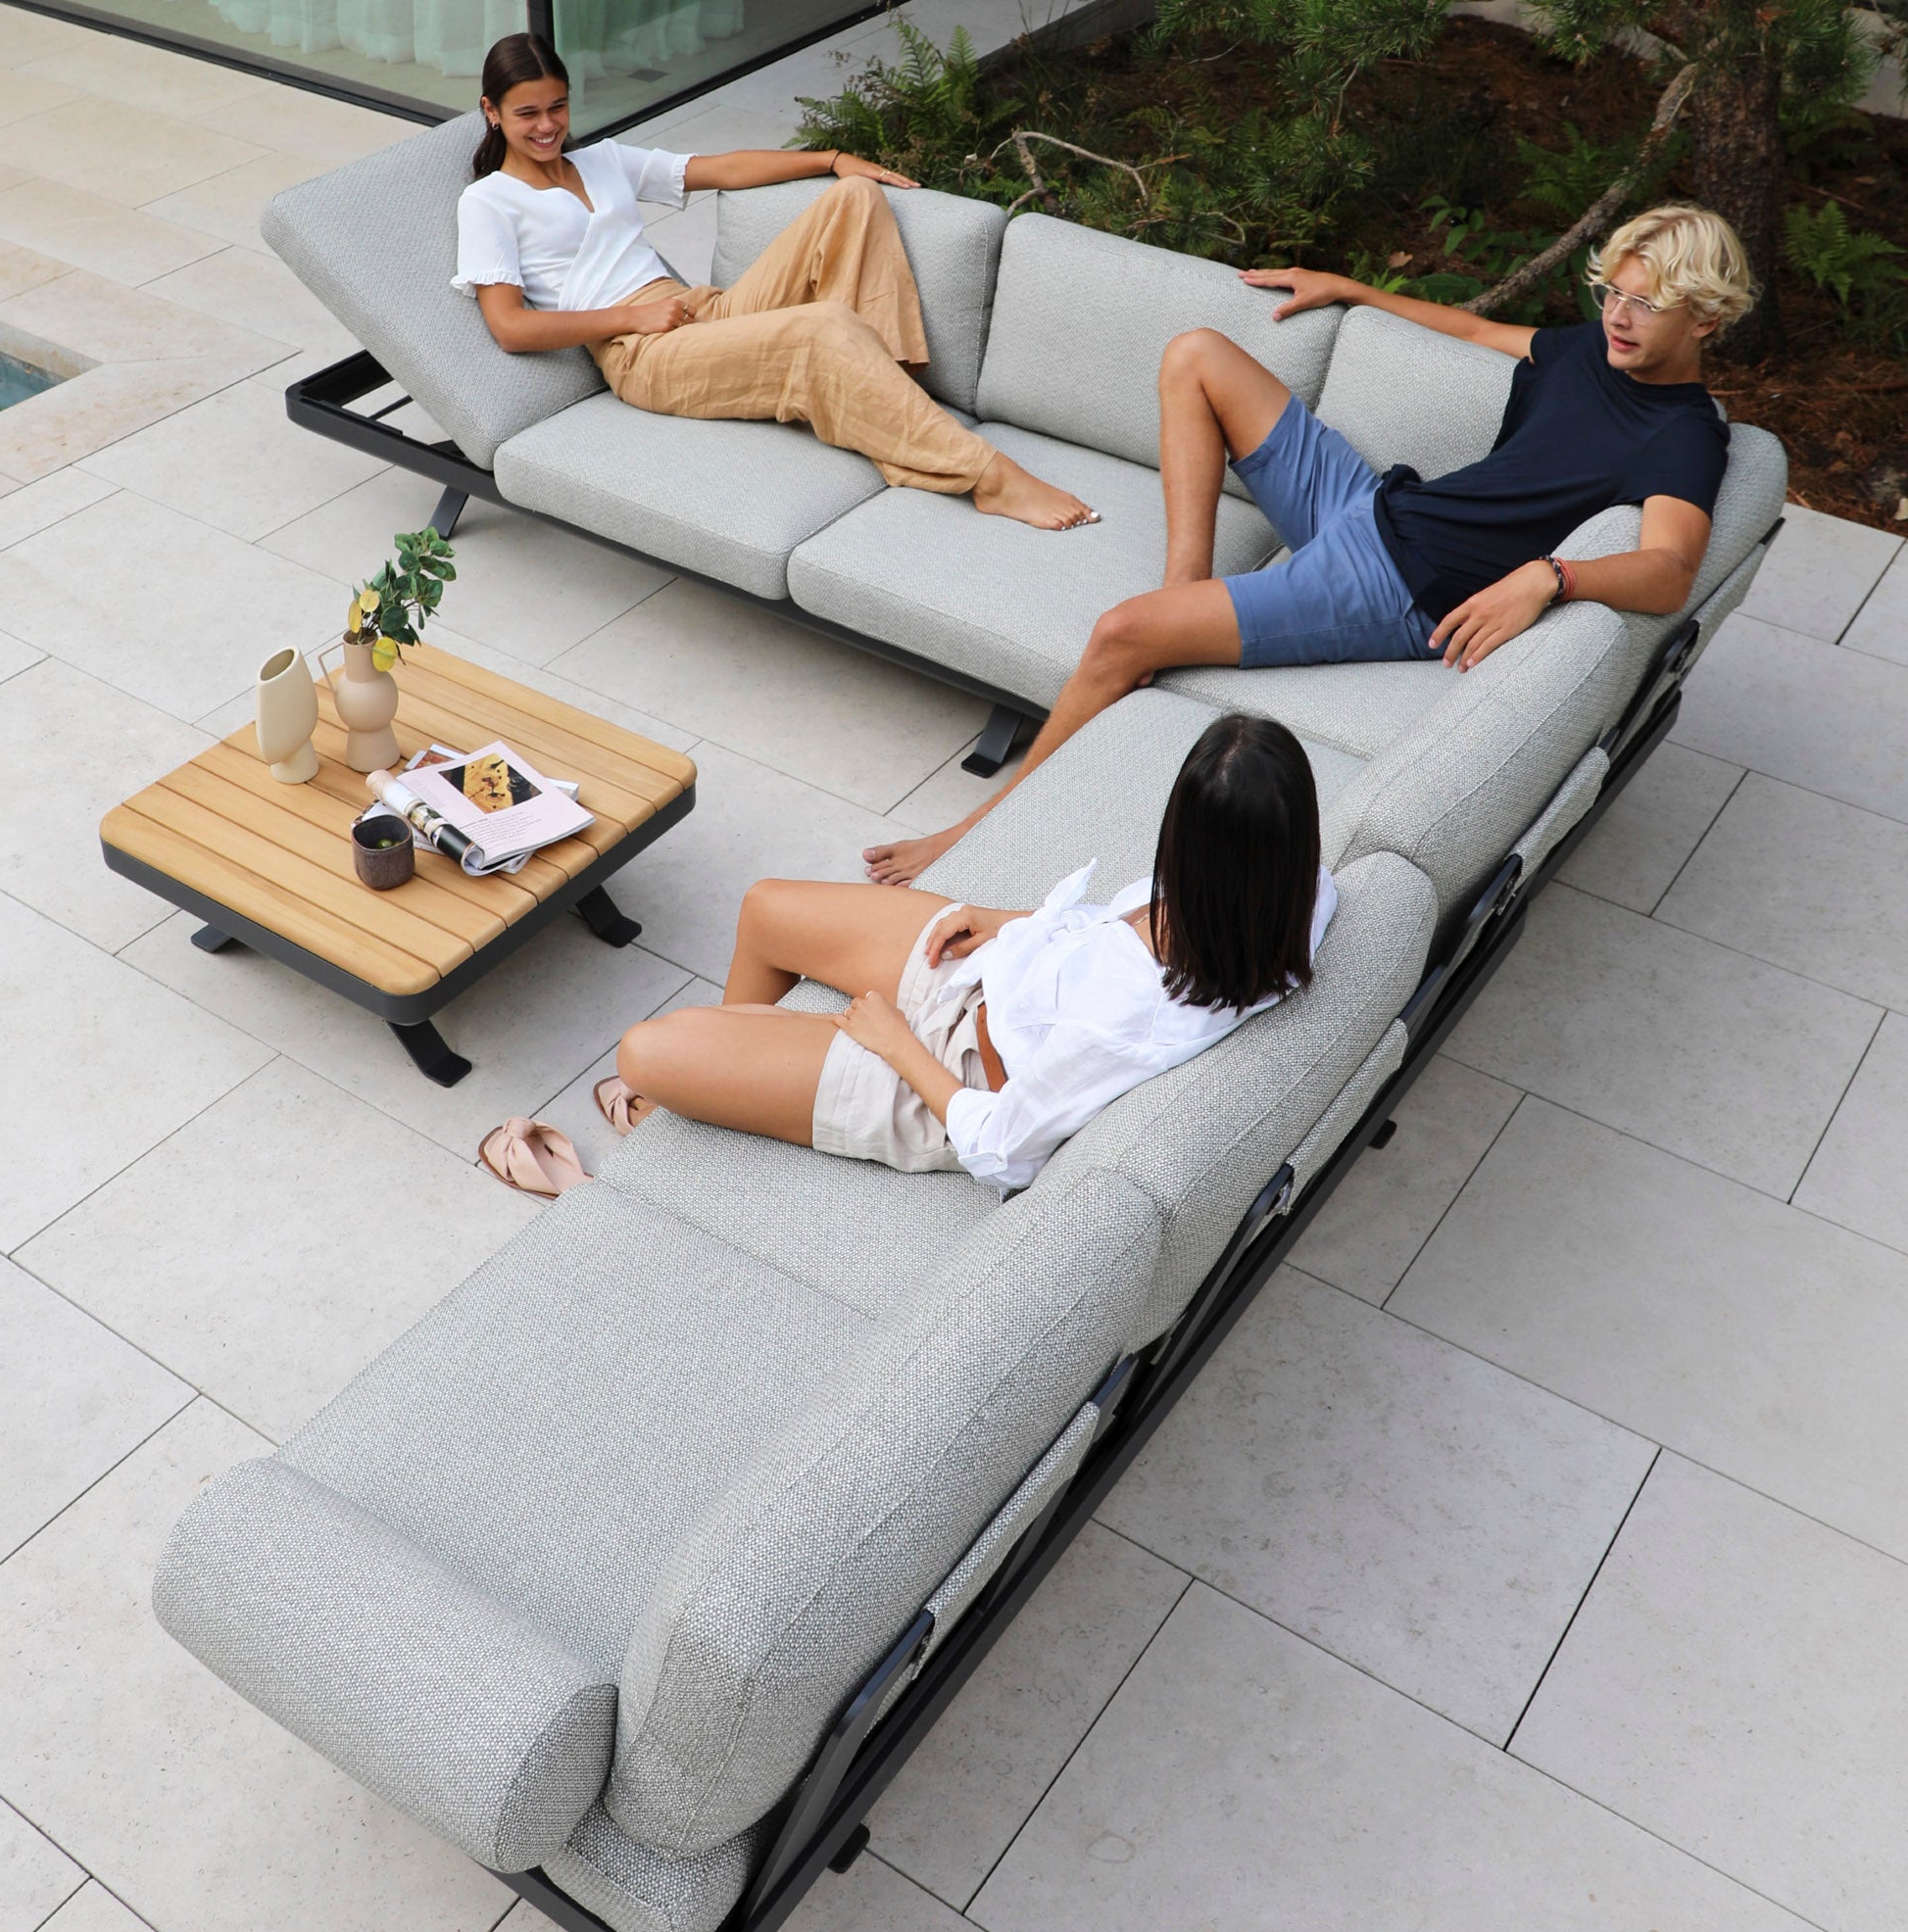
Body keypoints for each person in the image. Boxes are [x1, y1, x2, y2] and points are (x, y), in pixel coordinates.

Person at [863, 203, 1751, 886]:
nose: (1619, 317)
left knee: (1118, 633)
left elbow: (1669, 571)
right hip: (1378, 507)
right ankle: (1186, 597)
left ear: (1707, 320)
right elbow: (1483, 333)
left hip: (1401, 585)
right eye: (1614, 294)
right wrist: (1353, 290)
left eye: (1648, 305)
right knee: (1196, 354)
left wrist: (1551, 576)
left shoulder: (1682, 435)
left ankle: (972, 829)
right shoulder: (1589, 353)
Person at [594, 713, 1335, 1195]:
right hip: (997, 975)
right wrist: (1009, 922)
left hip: (954, 1075)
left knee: (644, 1052)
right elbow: (1111, 939)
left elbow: (1006, 1149)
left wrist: (894, 1043)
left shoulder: (1129, 1017)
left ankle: (706, 1082)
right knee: (764, 908)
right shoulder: (1302, 898)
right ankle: (735, 1069)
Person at [453, 32, 1098, 530]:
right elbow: (510, 327)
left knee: (855, 202)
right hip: (642, 352)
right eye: (527, 113)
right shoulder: (489, 202)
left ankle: (882, 389)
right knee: (823, 328)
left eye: (558, 107)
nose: (547, 126)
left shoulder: (602, 161)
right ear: (492, 112)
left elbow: (725, 168)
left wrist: (832, 158)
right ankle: (987, 476)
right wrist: (629, 319)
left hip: (699, 311)